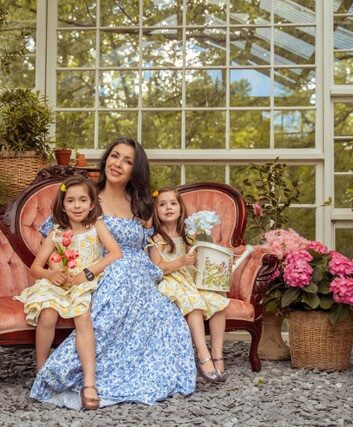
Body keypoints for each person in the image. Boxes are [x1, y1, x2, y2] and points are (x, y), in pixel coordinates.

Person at [30, 137, 196, 410]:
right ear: (106, 158)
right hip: (101, 270)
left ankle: (141, 369)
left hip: (141, 273)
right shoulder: (85, 196)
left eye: (128, 161)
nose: (118, 164)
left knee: (165, 312)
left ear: (135, 169)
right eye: (115, 156)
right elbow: (58, 240)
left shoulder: (141, 206)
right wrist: (62, 272)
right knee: (120, 279)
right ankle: (75, 374)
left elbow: (164, 237)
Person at [15, 176, 122, 410]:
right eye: (71, 201)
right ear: (62, 205)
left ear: (92, 204)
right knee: (48, 314)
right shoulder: (56, 233)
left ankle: (89, 382)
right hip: (58, 283)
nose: (77, 206)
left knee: (83, 318)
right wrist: (52, 275)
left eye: (83, 200)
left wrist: (88, 273)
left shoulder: (96, 227)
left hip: (83, 282)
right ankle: (41, 370)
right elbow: (35, 267)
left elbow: (115, 253)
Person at [149, 187, 230, 383]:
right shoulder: (156, 239)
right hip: (170, 281)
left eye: (173, 203)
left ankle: (217, 353)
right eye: (162, 204)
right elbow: (157, 269)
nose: (168, 207)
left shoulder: (188, 234)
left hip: (189, 279)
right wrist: (181, 262)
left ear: (180, 208)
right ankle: (202, 356)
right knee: (193, 304)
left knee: (218, 303)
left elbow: (200, 257)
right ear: (156, 210)